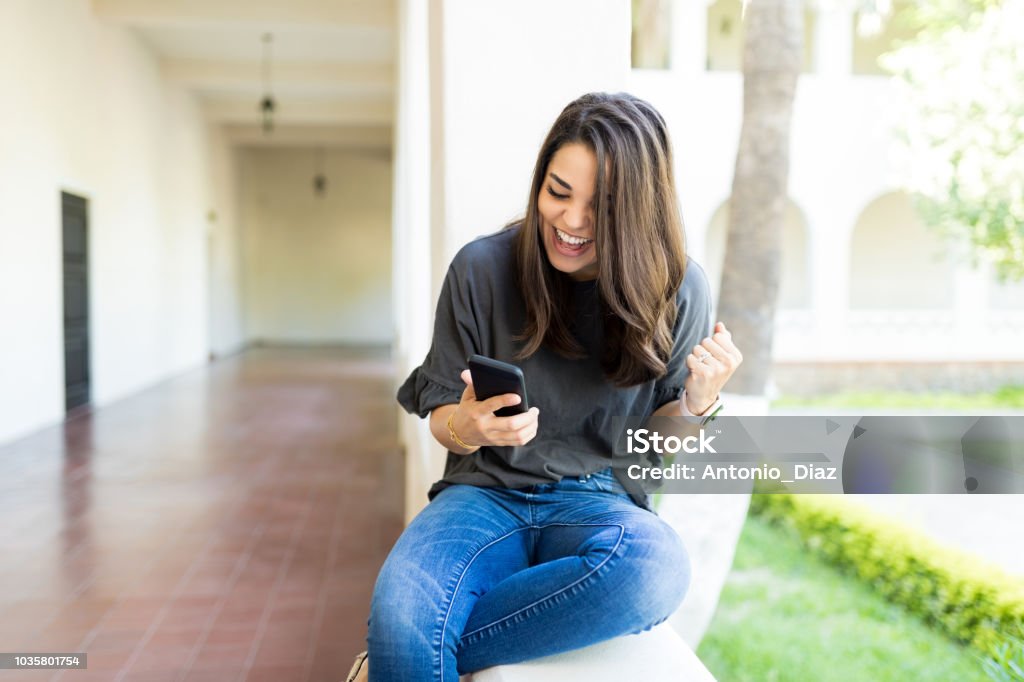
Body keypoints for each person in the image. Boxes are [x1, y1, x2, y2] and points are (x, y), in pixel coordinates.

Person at [348, 92, 743, 682]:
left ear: (639, 209)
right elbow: (440, 421)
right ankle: (402, 645)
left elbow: (655, 450)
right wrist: (469, 424)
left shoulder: (678, 288)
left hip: (601, 502)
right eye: (558, 192)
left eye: (601, 207)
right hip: (483, 493)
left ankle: (396, 657)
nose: (572, 222)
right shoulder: (481, 269)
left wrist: (697, 402)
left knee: (656, 568)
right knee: (402, 600)